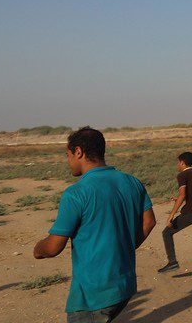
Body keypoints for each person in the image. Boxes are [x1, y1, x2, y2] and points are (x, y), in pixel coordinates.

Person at [34, 127, 156, 323]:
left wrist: (38, 249)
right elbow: (149, 221)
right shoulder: (132, 182)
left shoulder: (76, 193)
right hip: (124, 286)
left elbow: (53, 246)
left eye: (68, 155)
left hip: (93, 295)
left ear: (78, 152)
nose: (68, 161)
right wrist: (124, 247)